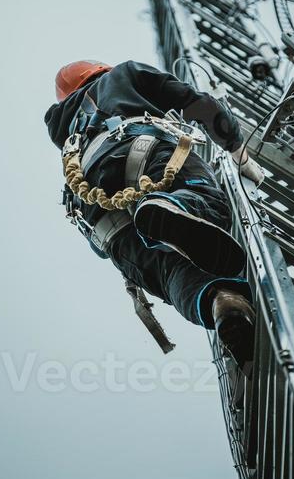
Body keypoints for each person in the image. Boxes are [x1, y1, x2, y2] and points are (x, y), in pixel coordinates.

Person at [44, 59, 265, 372]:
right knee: (205, 203)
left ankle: (223, 304)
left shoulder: (68, 135)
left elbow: (98, 250)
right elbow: (196, 104)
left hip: (101, 219)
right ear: (100, 70)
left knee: (168, 271)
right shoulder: (122, 76)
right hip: (139, 148)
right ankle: (173, 207)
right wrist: (237, 150)